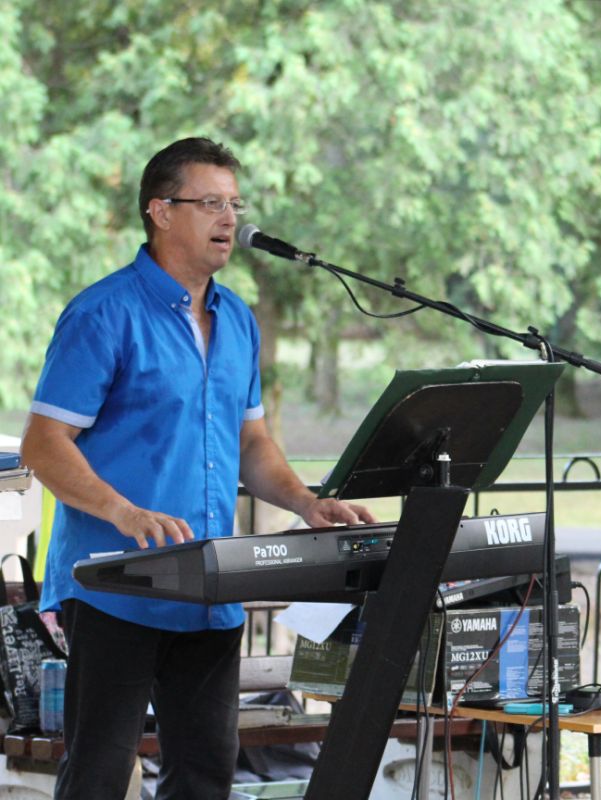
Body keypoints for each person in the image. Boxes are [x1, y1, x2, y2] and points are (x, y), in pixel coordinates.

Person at [20, 137, 374, 800]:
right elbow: (43, 445)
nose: (230, 219)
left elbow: (253, 443)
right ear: (160, 211)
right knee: (99, 774)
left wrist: (306, 503)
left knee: (207, 772)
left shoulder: (237, 318)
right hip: (115, 584)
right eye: (210, 203)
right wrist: (125, 512)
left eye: (235, 204)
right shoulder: (103, 314)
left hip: (213, 587)